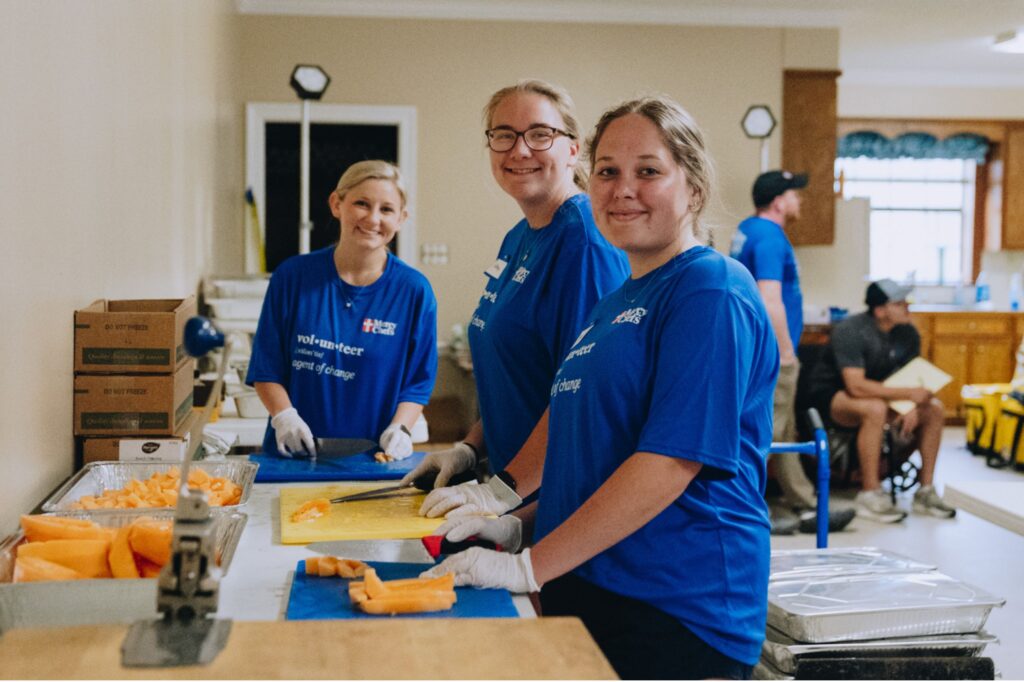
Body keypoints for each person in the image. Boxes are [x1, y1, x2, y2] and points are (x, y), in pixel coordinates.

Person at [421, 96, 778, 680]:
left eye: (648, 170)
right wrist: (517, 524)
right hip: (588, 577)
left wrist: (528, 566)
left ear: (693, 187)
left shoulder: (710, 290)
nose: (622, 189)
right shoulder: (614, 303)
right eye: (608, 170)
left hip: (674, 607)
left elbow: (669, 464)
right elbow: (592, 459)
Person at [400, 80, 628, 493]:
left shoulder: (584, 241)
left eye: (540, 134)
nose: (519, 150)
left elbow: (582, 394)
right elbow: (517, 381)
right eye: (504, 135)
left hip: (561, 492)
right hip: (515, 482)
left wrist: (505, 493)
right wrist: (470, 448)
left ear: (573, 149)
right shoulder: (519, 236)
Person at [246, 160, 437, 459]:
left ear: (401, 218)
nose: (373, 218)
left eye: (387, 209)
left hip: (374, 457)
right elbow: (266, 366)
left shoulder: (414, 291)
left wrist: (400, 428)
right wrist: (284, 417)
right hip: (295, 454)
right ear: (337, 204)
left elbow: (417, 382)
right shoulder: (292, 277)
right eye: (362, 204)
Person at [730, 171, 855, 535]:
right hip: (771, 353)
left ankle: (806, 504)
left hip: (755, 349)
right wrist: (785, 351)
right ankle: (745, 509)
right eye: (794, 194)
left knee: (782, 429)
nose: (799, 200)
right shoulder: (770, 236)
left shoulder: (748, 230)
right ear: (778, 201)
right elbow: (770, 299)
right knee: (764, 432)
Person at [806, 278, 956, 523]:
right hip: (834, 396)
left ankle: (926, 490)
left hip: (886, 394)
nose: (907, 307)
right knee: (874, 409)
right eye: (899, 303)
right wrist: (907, 396)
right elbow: (855, 386)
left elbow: (913, 375)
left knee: (934, 410)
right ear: (880, 310)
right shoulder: (851, 330)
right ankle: (870, 492)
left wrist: (912, 405)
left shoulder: (907, 332)